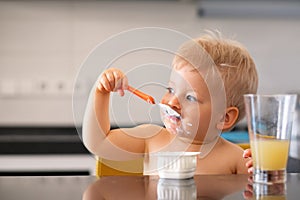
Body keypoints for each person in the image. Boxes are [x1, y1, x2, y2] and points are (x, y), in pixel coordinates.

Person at [82, 31, 258, 175]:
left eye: (190, 97)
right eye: (171, 90)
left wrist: (259, 175)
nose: (172, 102)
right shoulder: (151, 138)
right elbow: (98, 143)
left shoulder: (236, 160)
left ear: (225, 117)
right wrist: (101, 92)